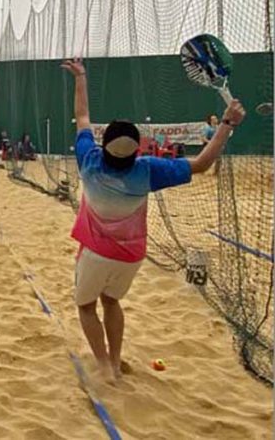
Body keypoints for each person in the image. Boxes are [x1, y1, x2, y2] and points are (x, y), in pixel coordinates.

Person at [61, 57, 245, 383]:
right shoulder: (147, 170)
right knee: (112, 301)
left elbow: (82, 116)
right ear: (137, 151)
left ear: (103, 148)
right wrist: (227, 124)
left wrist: (81, 77)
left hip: (94, 253)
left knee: (86, 306)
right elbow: (201, 163)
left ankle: (104, 365)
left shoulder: (89, 160)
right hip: (131, 256)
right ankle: (115, 361)